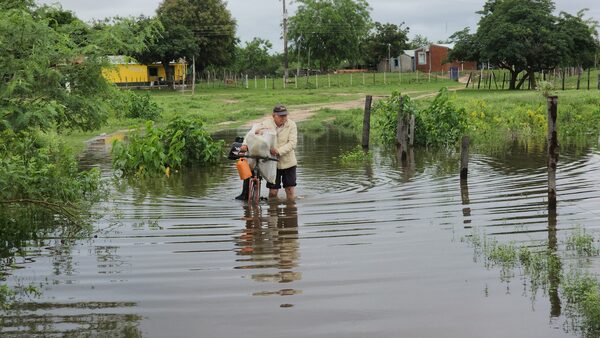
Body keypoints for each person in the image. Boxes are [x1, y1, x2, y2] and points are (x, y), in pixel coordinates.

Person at [239, 104, 298, 200]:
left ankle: (290, 212)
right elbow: (251, 134)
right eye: (281, 116)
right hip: (272, 163)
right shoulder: (266, 124)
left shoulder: (291, 125)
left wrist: (278, 151)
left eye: (285, 115)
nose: (284, 118)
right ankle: (272, 212)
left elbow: (292, 143)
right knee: (273, 192)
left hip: (288, 162)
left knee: (290, 190)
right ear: (273, 115)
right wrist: (245, 145)